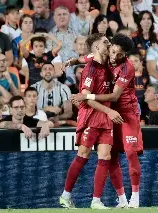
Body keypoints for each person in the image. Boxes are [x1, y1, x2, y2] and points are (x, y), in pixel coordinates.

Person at [72, 34, 143, 208]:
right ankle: (122, 199)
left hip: (127, 113)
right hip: (110, 112)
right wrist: (72, 61)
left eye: (119, 54)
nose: (114, 57)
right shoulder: (103, 57)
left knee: (131, 153)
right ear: (109, 47)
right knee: (109, 156)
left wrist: (86, 95)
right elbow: (87, 57)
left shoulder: (127, 68)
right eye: (112, 52)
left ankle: (135, 196)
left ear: (124, 54)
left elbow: (114, 95)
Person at [59, 33, 123, 210]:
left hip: (106, 117)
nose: (109, 44)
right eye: (105, 42)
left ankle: (96, 201)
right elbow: (85, 98)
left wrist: (72, 61)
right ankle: (65, 196)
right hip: (91, 116)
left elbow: (85, 56)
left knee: (105, 157)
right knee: (84, 155)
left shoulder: (107, 63)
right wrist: (109, 110)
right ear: (96, 47)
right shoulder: (91, 69)